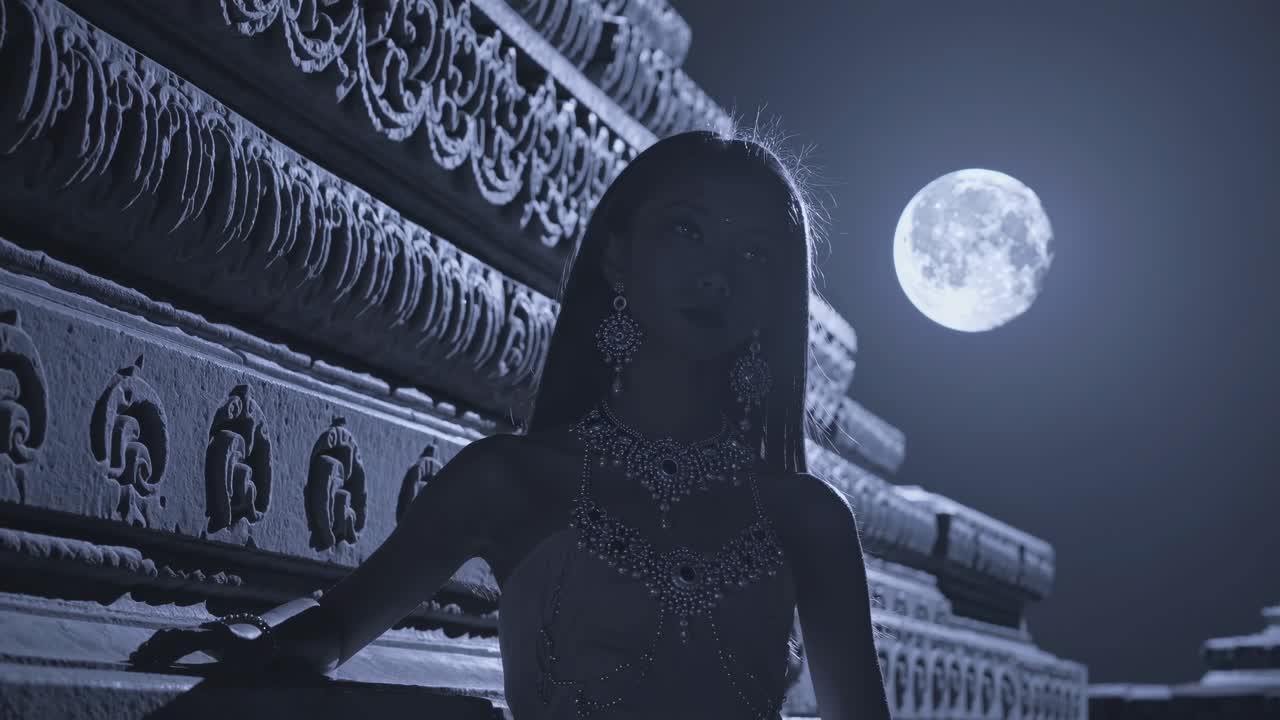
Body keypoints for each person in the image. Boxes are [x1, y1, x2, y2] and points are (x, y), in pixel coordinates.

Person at [133, 128, 891, 720]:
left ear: (775, 299)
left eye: (755, 252)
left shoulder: (807, 517)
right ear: (616, 257)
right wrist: (258, 639)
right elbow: (336, 628)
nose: (716, 274)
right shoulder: (510, 479)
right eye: (687, 232)